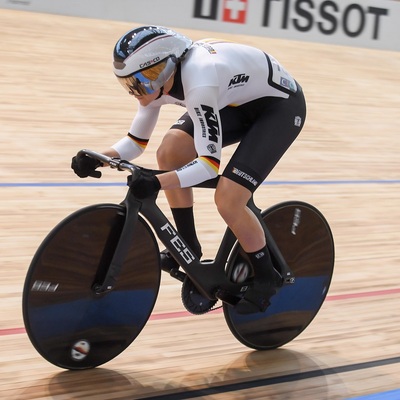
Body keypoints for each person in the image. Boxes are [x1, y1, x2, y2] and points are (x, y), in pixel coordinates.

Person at [71, 26, 306, 313]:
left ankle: (267, 275)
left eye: (138, 83)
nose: (135, 91)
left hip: (278, 110)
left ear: (163, 69)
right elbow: (135, 143)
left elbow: (208, 165)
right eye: (127, 84)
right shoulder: (158, 82)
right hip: (234, 100)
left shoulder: (199, 80)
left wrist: (157, 184)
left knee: (228, 200)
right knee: (170, 152)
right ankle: (188, 245)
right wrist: (98, 157)